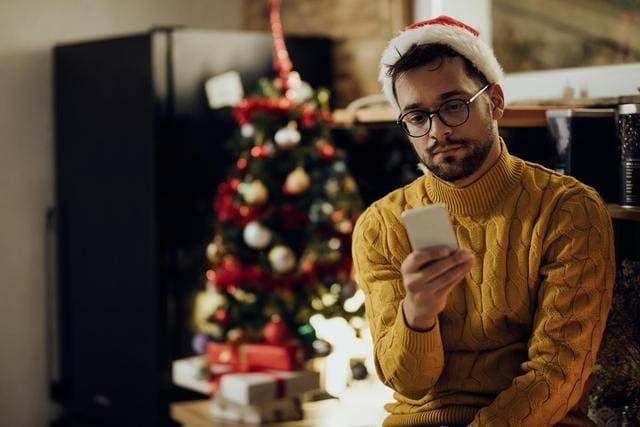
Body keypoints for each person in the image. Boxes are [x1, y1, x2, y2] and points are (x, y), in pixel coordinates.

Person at [352, 16, 615, 426]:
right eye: (417, 117)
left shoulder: (568, 210)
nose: (437, 130)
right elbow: (409, 384)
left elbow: (557, 374)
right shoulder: (380, 225)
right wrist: (418, 313)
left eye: (453, 106)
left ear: (494, 102)